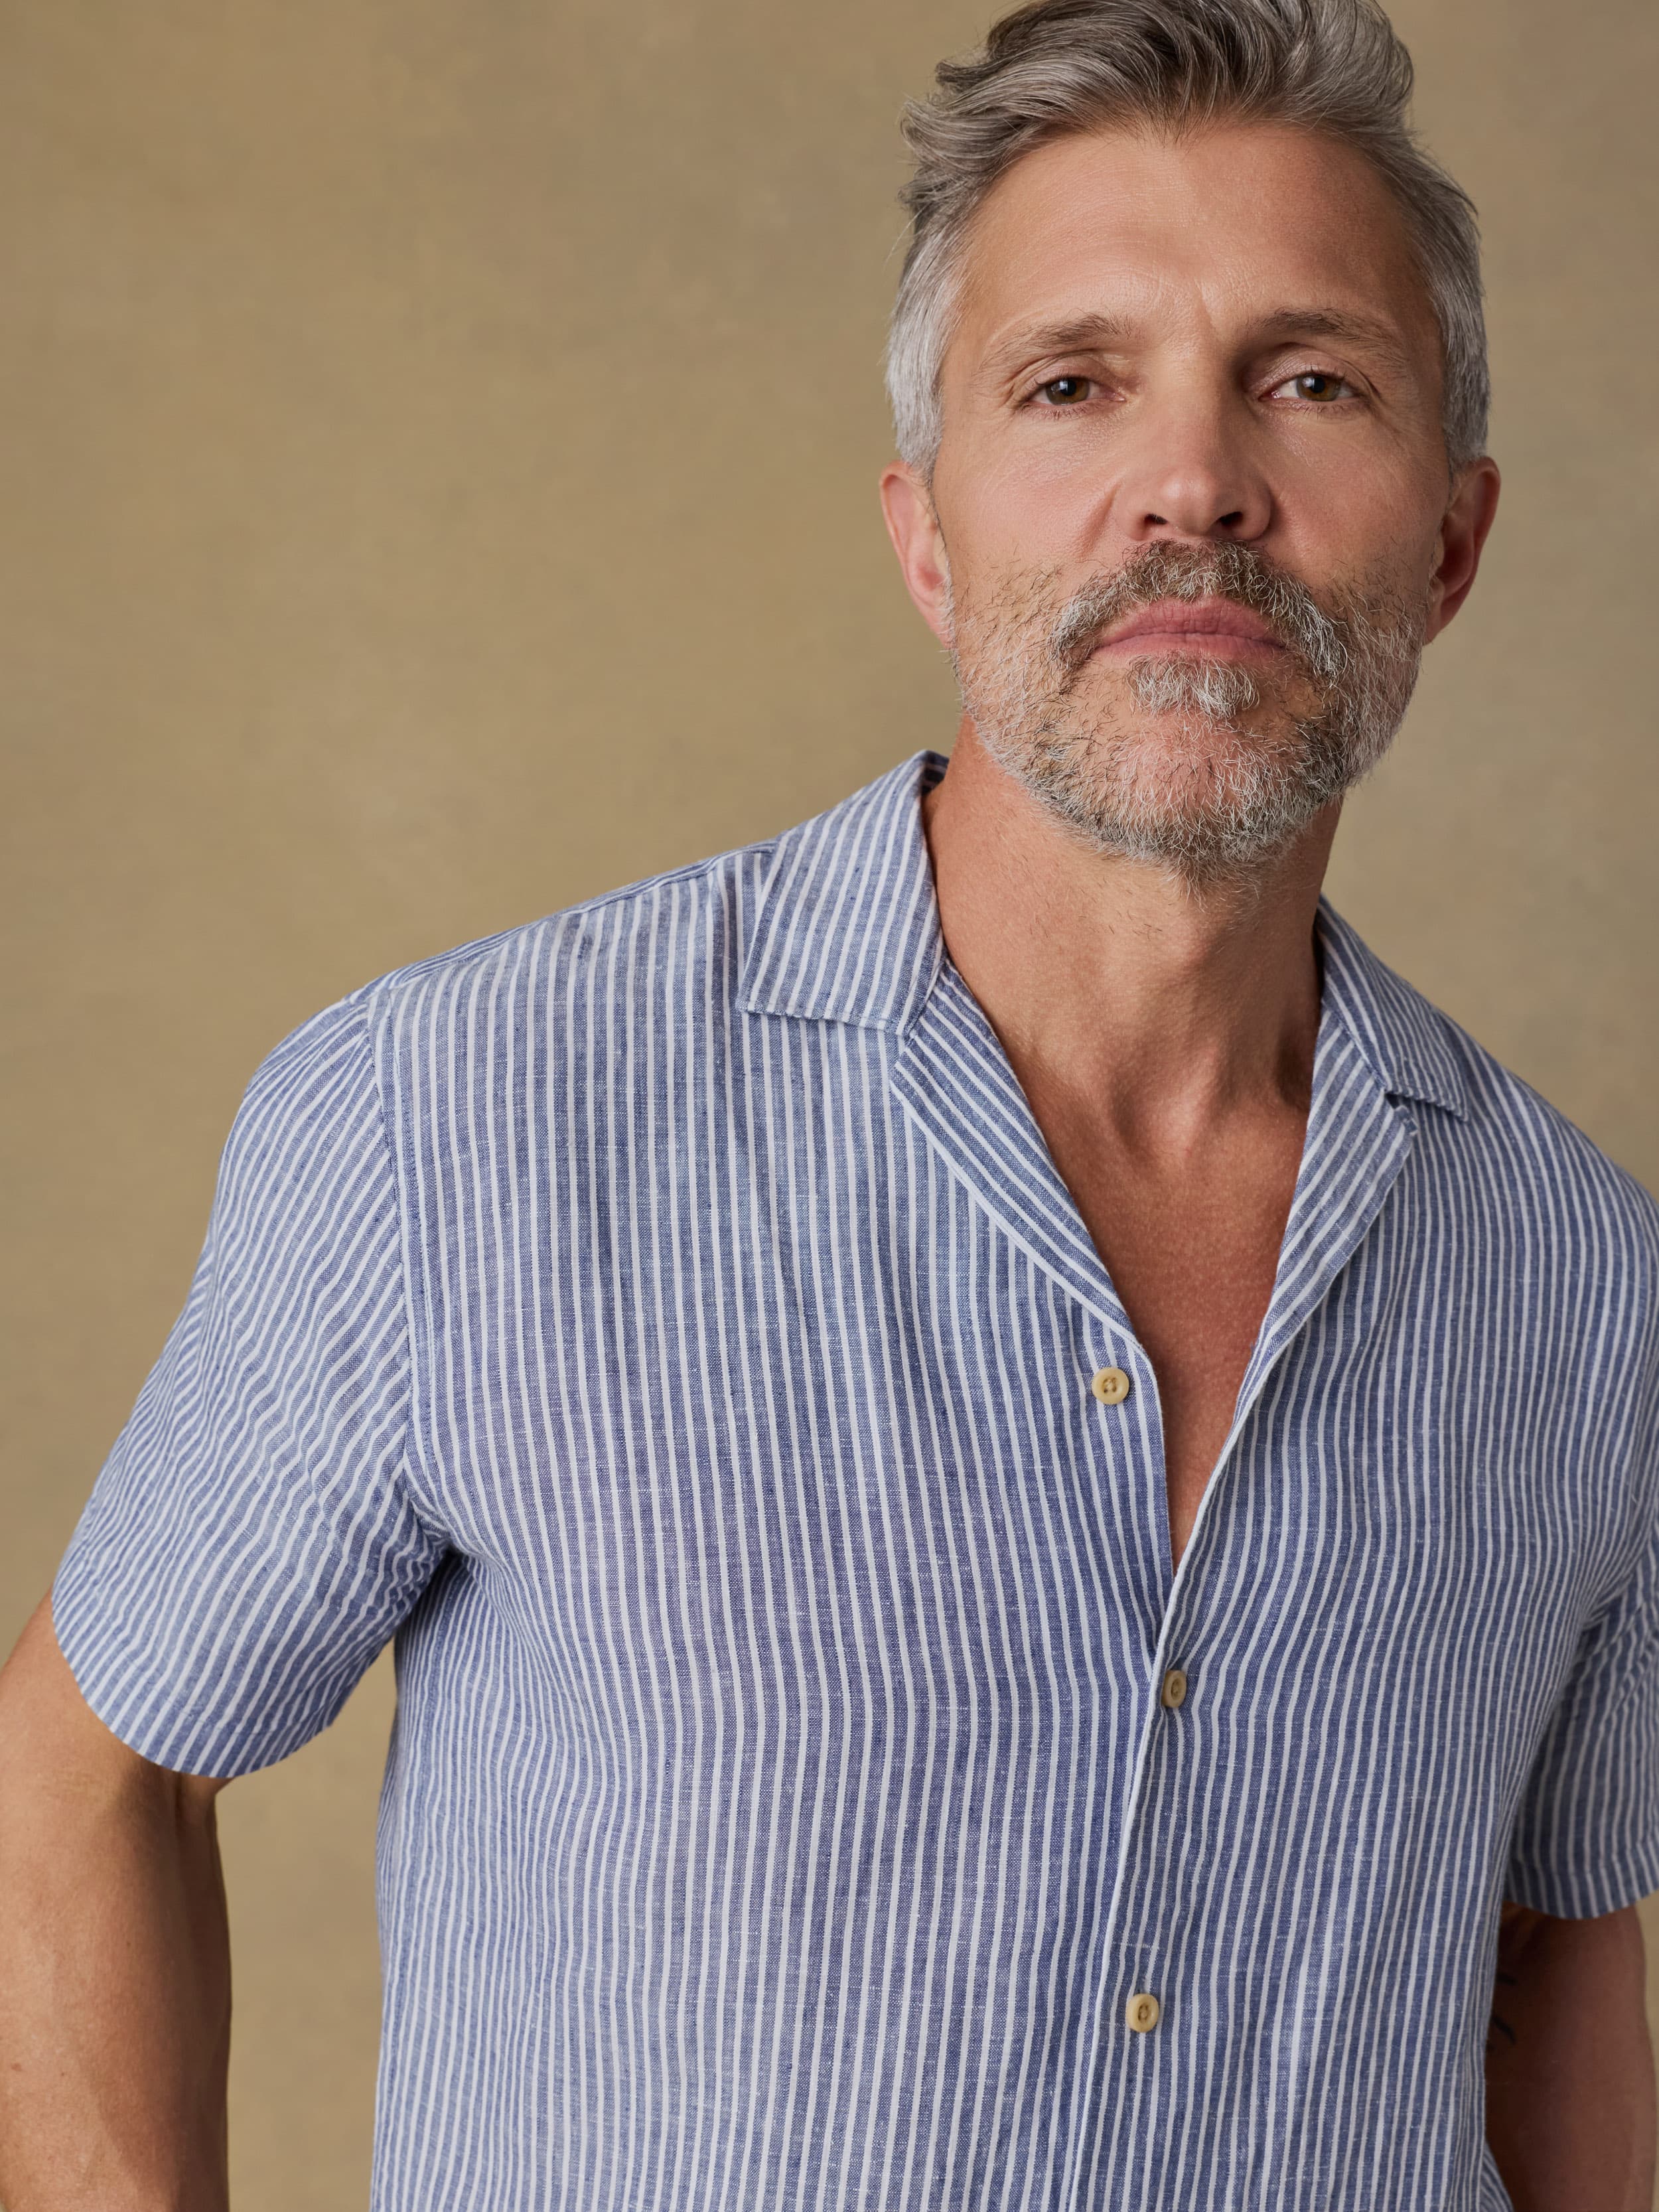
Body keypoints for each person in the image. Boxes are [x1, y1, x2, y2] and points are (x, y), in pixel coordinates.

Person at [2, 0, 1655, 2203]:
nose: (1194, 480)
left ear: (1445, 548)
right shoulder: (457, 1124)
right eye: (1071, 383)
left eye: (1310, 379)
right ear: (929, 538)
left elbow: (1557, 1962)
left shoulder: (1586, 1285)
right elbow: (81, 1786)